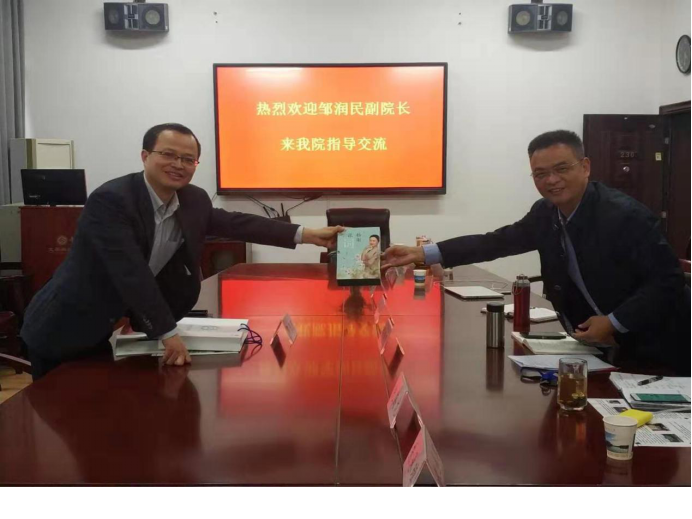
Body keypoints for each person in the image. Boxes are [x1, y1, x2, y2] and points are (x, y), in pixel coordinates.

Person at [21, 123, 343, 379]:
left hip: (104, 327)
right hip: (62, 324)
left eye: (188, 159)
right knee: (56, 421)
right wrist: (167, 333)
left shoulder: (192, 199)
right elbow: (130, 272)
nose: (178, 165)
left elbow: (238, 224)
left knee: (98, 418)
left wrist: (308, 234)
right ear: (145, 156)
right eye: (168, 155)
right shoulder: (113, 201)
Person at [383, 130, 690, 375]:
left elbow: (668, 280)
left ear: (585, 167)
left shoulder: (624, 215)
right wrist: (423, 253)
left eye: (562, 169)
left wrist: (613, 321)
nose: (551, 180)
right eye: (540, 174)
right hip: (598, 346)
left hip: (658, 345)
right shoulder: (546, 213)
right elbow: (496, 242)